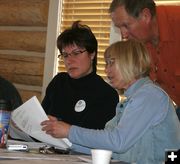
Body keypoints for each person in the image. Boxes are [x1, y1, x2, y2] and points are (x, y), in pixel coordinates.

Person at [41, 40, 180, 163]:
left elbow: (118, 142)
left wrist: (69, 131)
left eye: (111, 63)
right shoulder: (133, 98)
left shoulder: (149, 95)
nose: (106, 70)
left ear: (130, 62)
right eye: (106, 64)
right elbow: (107, 147)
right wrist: (62, 138)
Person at [108, 0, 180, 119]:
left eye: (126, 25)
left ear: (145, 16)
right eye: (119, 27)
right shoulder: (141, 42)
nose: (123, 34)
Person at [41, 21, 119, 129]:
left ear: (92, 54)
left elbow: (96, 138)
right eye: (65, 55)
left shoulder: (106, 94)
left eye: (76, 53)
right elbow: (41, 120)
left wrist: (62, 127)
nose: (69, 60)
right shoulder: (58, 82)